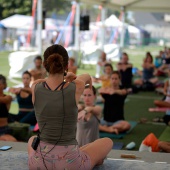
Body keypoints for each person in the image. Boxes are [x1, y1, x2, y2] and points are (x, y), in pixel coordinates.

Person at [28, 44, 113, 170]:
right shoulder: (76, 86)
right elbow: (87, 77)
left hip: (39, 164)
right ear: (67, 65)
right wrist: (69, 77)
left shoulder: (35, 87)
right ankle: (88, 157)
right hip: (69, 164)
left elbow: (40, 81)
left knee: (32, 139)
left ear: (45, 65)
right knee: (107, 142)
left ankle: (81, 153)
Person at [0, 74, 16, 141]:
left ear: (4, 85)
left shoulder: (8, 98)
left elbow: (4, 100)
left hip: (3, 129)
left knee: (11, 141)